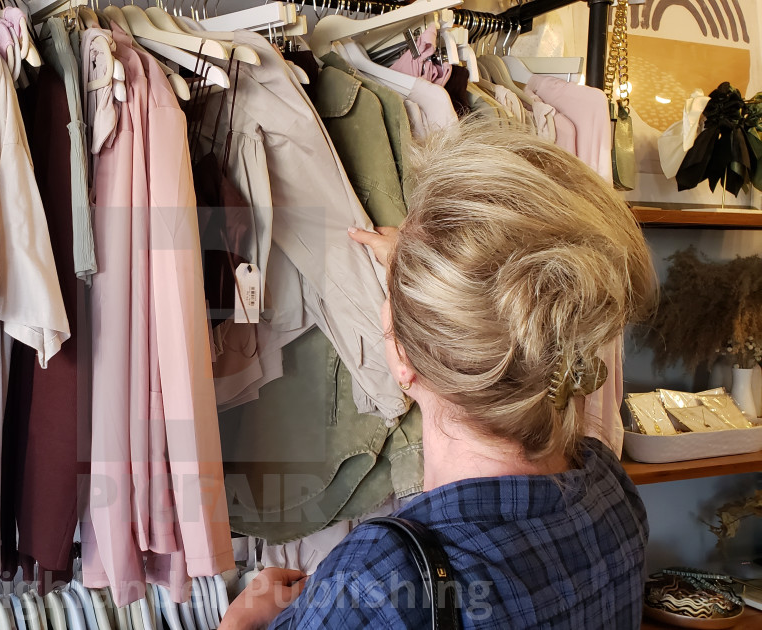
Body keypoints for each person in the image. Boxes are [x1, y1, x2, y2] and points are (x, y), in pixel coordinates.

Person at [218, 120, 658, 629]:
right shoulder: (609, 492)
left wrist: (239, 624)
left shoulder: (378, 586)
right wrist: (416, 288)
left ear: (402, 359)